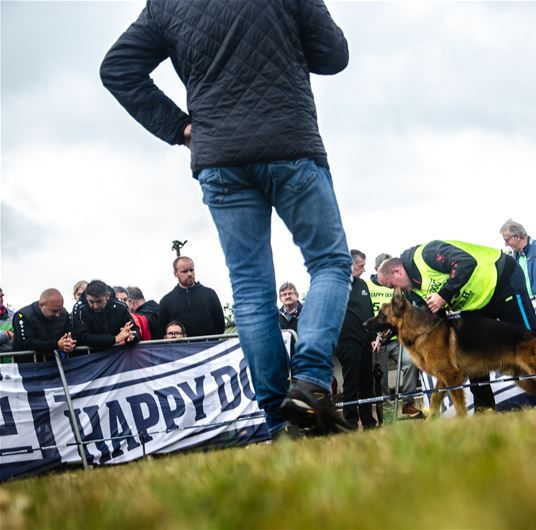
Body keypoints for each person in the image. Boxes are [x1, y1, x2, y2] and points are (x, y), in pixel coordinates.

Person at [101, 0, 353, 437]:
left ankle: (280, 422)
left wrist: (180, 128)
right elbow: (333, 55)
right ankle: (311, 381)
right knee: (330, 263)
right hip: (289, 142)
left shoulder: (167, 4)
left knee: (252, 293)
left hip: (220, 158)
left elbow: (118, 68)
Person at [377, 240, 536, 412]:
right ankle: (484, 407)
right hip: (473, 304)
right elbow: (435, 321)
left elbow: (465, 262)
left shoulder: (427, 254)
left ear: (396, 271)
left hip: (501, 280)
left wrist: (443, 295)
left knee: (528, 340)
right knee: (470, 351)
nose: (394, 290)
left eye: (391, 285)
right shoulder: (412, 291)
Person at [367, 253, 422, 421]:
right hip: (377, 342)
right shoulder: (367, 286)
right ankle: (388, 417)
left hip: (395, 339)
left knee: (412, 362)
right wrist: (372, 335)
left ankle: (408, 404)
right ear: (377, 269)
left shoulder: (397, 287)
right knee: (381, 380)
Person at [335, 250, 377, 429]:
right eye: (361, 266)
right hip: (347, 343)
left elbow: (368, 311)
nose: (364, 270)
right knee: (351, 384)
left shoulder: (363, 285)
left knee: (367, 384)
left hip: (366, 342)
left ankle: (368, 421)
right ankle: (350, 422)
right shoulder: (337, 285)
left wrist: (374, 336)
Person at [157, 257, 225, 338]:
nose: (189, 274)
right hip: (180, 349)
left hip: (209, 347)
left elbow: (220, 326)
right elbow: (161, 331)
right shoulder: (166, 301)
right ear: (175, 273)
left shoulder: (210, 294)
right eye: (184, 271)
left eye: (191, 270)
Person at [71, 280, 140, 350]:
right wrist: (114, 339)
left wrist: (132, 337)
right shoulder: (79, 309)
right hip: (88, 357)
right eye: (91, 302)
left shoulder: (120, 307)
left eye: (99, 301)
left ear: (107, 296)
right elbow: (81, 337)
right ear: (87, 297)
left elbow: (135, 330)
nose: (95, 306)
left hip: (116, 355)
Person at [12, 289, 76, 356]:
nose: (58, 315)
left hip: (54, 361)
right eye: (54, 311)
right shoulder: (22, 316)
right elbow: (27, 343)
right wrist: (56, 345)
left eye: (60, 310)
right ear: (41, 305)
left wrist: (69, 343)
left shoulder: (64, 314)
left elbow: (71, 334)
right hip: (27, 362)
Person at [0, 288, 15, 353]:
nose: (1, 299)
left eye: (1, 296)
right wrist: (7, 334)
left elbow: (19, 341)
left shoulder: (13, 316)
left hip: (12, 361)